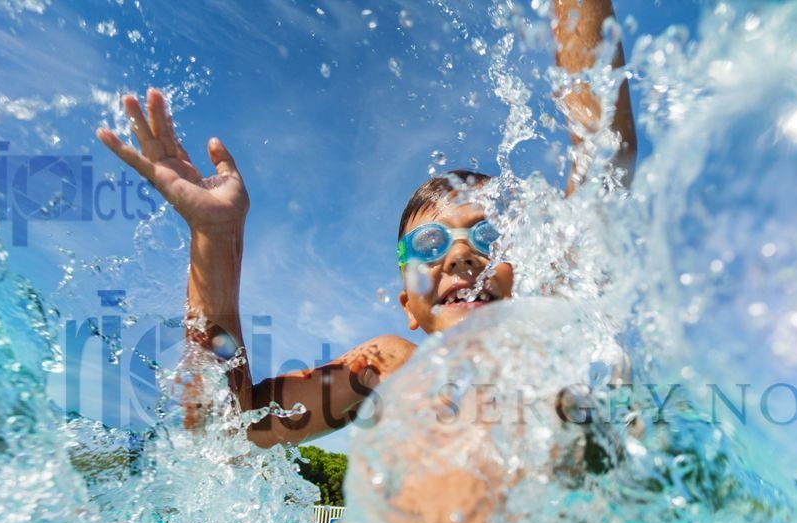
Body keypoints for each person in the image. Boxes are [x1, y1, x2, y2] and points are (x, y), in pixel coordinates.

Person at [95, 0, 636, 454]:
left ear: (523, 272)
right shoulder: (391, 367)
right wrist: (214, 242)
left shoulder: (564, 351)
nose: (465, 254)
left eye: (490, 237)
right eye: (430, 244)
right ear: (409, 306)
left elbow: (604, 160)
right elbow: (224, 427)